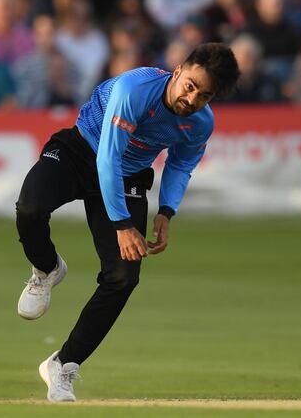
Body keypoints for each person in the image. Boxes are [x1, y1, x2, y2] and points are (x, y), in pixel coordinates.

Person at [14, 43, 240, 402]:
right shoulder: (134, 89)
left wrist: (166, 211)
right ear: (178, 70)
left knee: (123, 276)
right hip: (81, 150)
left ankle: (63, 365)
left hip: (130, 174)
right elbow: (108, 157)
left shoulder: (201, 123)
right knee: (29, 209)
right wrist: (122, 225)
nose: (192, 98)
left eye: (205, 95)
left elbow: (181, 164)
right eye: (191, 85)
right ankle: (46, 269)